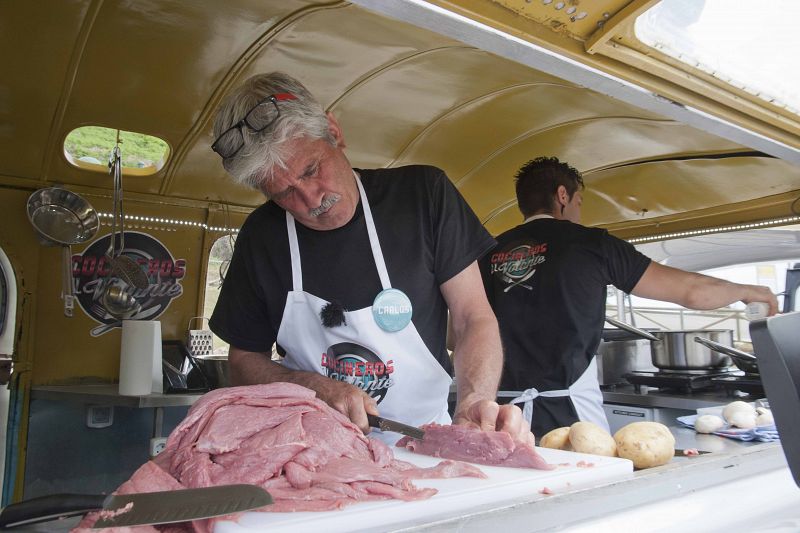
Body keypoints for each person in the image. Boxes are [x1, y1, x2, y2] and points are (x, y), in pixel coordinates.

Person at [208, 72, 531, 445]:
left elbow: (472, 316)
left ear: (334, 132)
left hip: (427, 441)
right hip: (311, 449)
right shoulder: (262, 237)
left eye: (312, 170)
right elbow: (243, 359)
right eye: (283, 194)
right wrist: (309, 386)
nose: (312, 200)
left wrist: (474, 398)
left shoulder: (423, 196)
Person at [479, 156, 779, 436]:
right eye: (578, 201)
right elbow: (691, 292)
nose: (579, 211)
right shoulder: (593, 245)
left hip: (500, 416)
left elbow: (458, 336)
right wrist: (746, 290)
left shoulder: (488, 251)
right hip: (570, 416)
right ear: (562, 196)